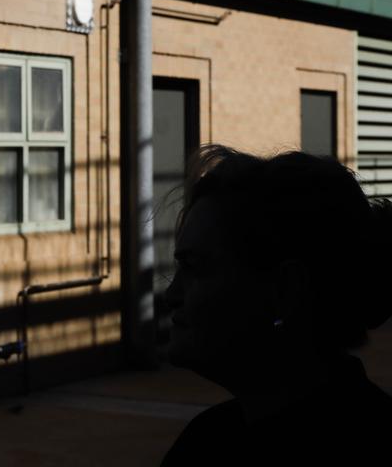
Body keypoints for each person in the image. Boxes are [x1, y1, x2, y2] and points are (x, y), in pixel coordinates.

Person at [161, 144, 392, 465]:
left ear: (285, 290)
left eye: (195, 268)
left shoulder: (212, 442)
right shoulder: (209, 435)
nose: (171, 295)